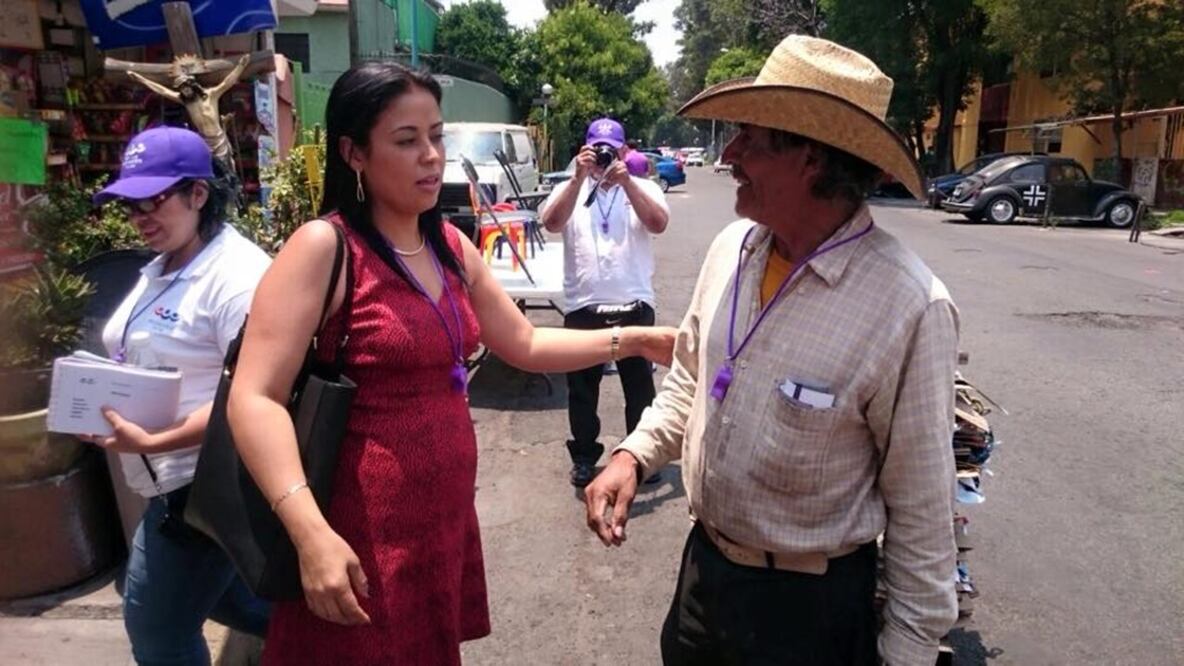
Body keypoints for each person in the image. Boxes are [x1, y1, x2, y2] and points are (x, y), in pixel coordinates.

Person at [225, 62, 675, 665]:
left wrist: (636, 340)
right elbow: (254, 398)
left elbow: (526, 345)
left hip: (437, 526)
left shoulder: (448, 246)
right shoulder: (325, 248)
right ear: (354, 152)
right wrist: (311, 535)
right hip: (355, 529)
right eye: (407, 141)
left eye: (436, 136)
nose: (432, 157)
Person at [584, 35, 960, 666]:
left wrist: (908, 655)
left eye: (750, 138)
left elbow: (923, 516)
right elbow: (690, 381)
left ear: (811, 158)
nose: (729, 154)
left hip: (808, 615)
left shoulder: (909, 306)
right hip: (704, 579)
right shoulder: (733, 248)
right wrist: (633, 454)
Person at [83, 126, 271, 664]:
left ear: (198, 194)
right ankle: (336, 641)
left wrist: (157, 437)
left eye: (154, 199)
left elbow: (258, 392)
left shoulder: (236, 278)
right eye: (130, 204)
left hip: (206, 483)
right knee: (235, 600)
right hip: (166, 476)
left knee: (156, 627)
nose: (141, 216)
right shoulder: (166, 262)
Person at [540, 118, 670, 488]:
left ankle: (642, 456)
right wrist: (578, 179)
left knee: (640, 390)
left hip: (634, 304)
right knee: (581, 392)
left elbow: (658, 224)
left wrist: (627, 181)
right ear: (584, 149)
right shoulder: (572, 187)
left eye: (610, 148)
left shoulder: (642, 186)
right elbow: (551, 223)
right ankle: (584, 457)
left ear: (625, 151)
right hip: (584, 306)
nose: (602, 155)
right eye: (596, 147)